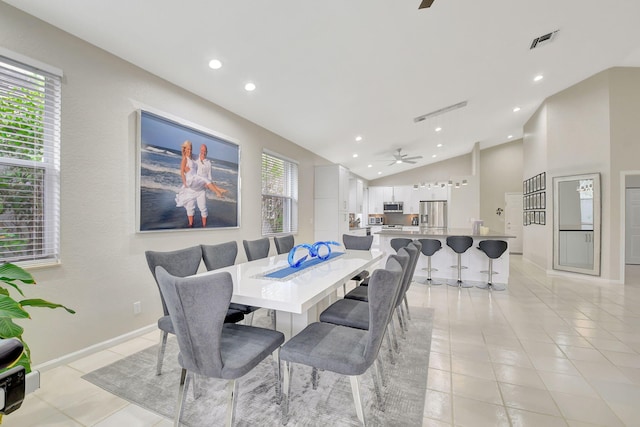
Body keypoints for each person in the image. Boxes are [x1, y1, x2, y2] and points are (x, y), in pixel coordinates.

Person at [175, 140, 227, 227]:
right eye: (202, 150)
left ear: (207, 152)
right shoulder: (194, 157)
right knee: (190, 207)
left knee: (203, 208)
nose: (190, 151)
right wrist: (184, 180)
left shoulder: (207, 162)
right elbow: (182, 170)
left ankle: (204, 227)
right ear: (200, 150)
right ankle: (218, 191)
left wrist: (207, 185)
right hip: (191, 183)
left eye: (190, 149)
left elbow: (209, 178)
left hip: (200, 186)